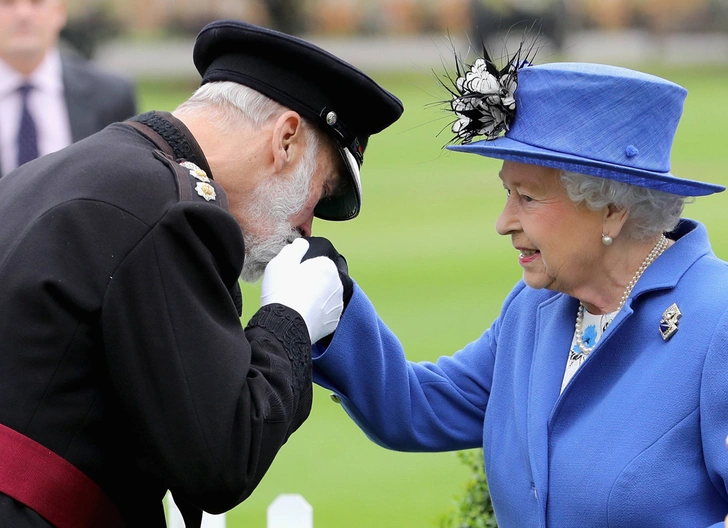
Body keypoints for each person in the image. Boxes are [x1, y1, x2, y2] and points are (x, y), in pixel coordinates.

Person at [0, 19, 402, 528]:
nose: (306, 227)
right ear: (286, 140)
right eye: (319, 194)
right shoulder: (170, 209)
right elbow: (221, 459)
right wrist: (289, 322)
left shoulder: (58, 172)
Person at [310, 57, 728, 526]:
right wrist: (328, 301)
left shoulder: (718, 320)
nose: (503, 222)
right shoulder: (537, 307)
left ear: (611, 210)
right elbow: (418, 406)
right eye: (507, 193)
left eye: (527, 197)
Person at [0, 0, 137, 176]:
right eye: (7, 3)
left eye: (37, 2)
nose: (23, 13)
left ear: (59, 13)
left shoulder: (112, 94)